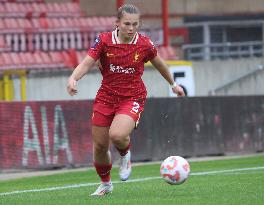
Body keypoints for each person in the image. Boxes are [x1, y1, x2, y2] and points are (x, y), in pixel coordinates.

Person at [67, 4, 185, 196]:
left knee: (117, 135)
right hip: (106, 97)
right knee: (100, 146)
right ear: (117, 23)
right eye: (127, 24)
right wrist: (73, 78)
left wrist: (173, 84)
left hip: (133, 96)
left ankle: (125, 156)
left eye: (135, 24)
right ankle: (106, 184)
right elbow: (87, 62)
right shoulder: (104, 41)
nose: (131, 28)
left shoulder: (144, 44)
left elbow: (160, 64)